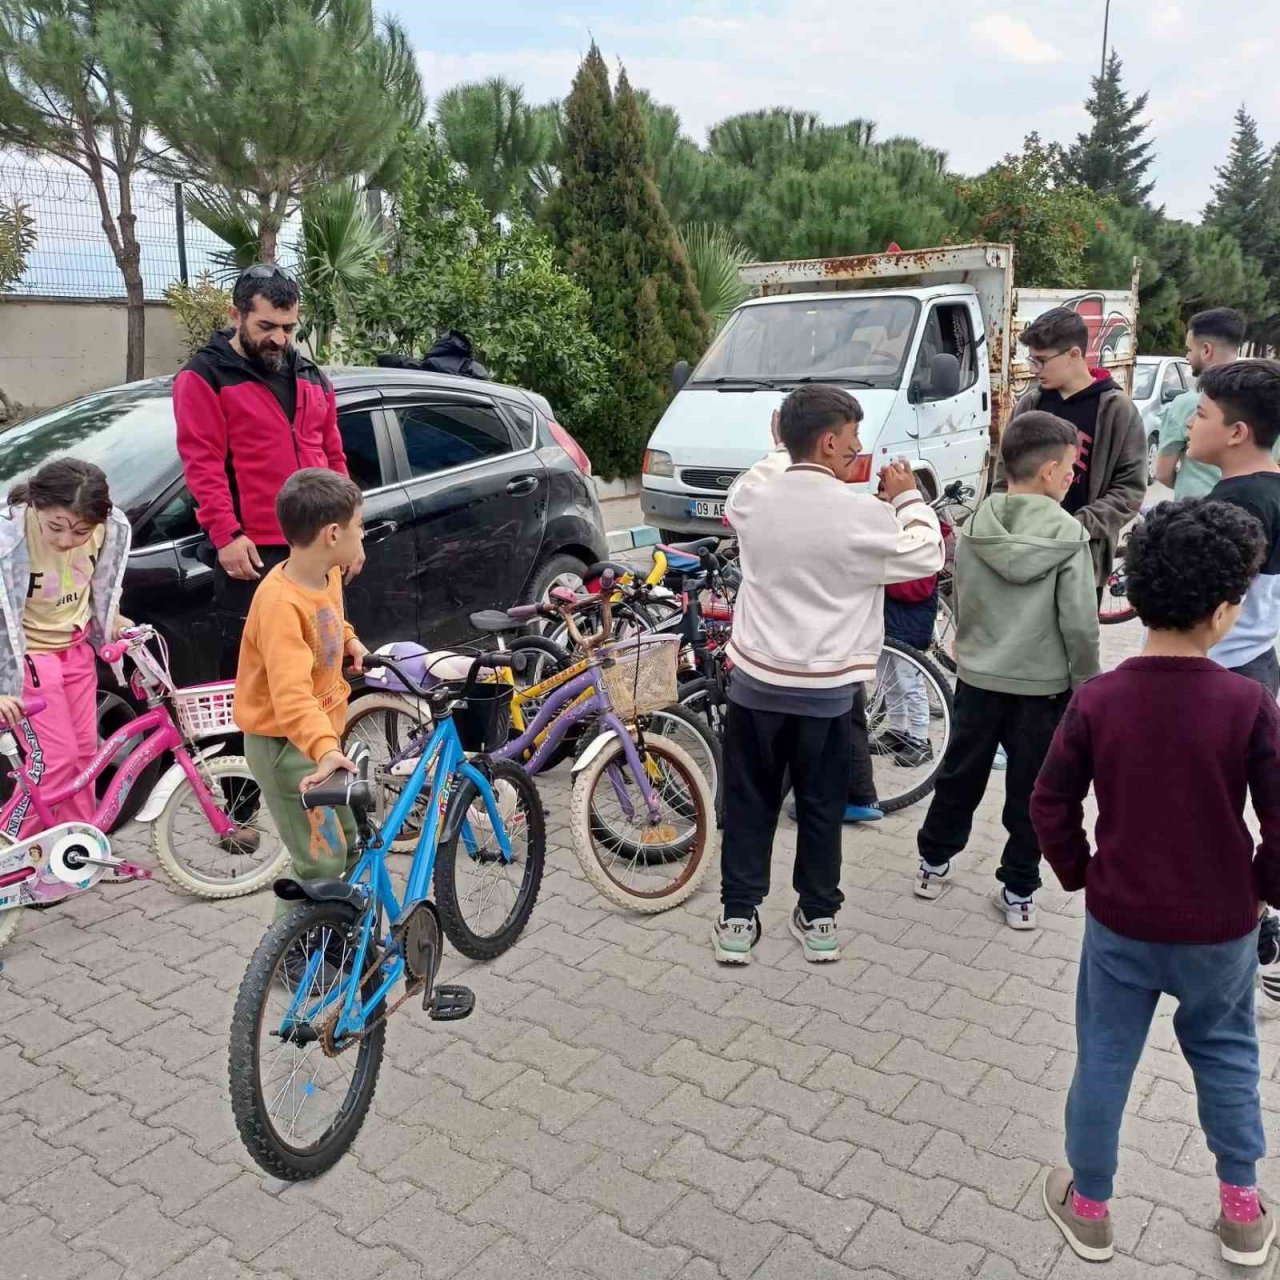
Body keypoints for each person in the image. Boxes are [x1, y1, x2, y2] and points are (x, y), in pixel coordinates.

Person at [1031, 498, 1280, 1269]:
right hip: (1222, 927)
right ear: (1221, 611)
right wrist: (1262, 889)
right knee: (1229, 1053)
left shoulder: (1099, 699)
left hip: (1121, 922)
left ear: (1133, 597)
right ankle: (1242, 1211)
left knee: (1104, 1055)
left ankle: (1092, 1205)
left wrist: (1080, 873)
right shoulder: (1249, 704)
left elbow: (1049, 801)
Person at [713, 385, 943, 965]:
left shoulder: (753, 501)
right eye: (853, 439)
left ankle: (738, 918)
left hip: (756, 686)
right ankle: (818, 918)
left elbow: (747, 486)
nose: (858, 451)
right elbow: (927, 553)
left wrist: (778, 447)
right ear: (831, 440)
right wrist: (909, 496)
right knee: (820, 806)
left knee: (749, 804)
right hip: (828, 695)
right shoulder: (861, 514)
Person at [914, 412, 1100, 929]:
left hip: (976, 677)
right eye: (1069, 467)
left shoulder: (975, 525)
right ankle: (1019, 890)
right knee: (1034, 789)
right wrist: (1086, 682)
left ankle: (932, 862)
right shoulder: (1069, 535)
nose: (1072, 477)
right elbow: (1080, 624)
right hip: (1044, 688)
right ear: (1046, 471)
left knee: (960, 774)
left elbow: (963, 599)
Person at [175, 264, 356, 679]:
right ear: (235, 315)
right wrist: (226, 535)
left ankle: (318, 741)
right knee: (257, 671)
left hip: (319, 545)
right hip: (255, 553)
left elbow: (334, 456)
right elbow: (201, 464)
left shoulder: (312, 375)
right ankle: (253, 745)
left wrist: (349, 531)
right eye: (267, 325)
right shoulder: (204, 376)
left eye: (289, 328)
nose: (279, 338)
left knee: (323, 661)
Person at [234, 470, 369, 908]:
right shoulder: (279, 604)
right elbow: (291, 697)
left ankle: (333, 936)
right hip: (286, 749)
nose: (362, 534)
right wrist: (326, 750)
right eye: (359, 526)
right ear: (333, 533)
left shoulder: (325, 575)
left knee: (347, 843)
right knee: (319, 861)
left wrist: (348, 639)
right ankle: (289, 957)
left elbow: (328, 620)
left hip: (317, 743)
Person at [0, 459, 132, 835]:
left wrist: (116, 622)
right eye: (55, 527)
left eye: (80, 531)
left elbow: (103, 586)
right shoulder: (7, 537)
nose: (65, 541)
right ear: (35, 506)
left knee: (86, 758)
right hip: (28, 658)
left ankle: (77, 855)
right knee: (55, 760)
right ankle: (11, 850)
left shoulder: (112, 529)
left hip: (76, 650)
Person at [1006, 307, 1146, 591]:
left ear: (1074, 355)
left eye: (1042, 361)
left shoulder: (1117, 410)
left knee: (1076, 633)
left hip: (1082, 556)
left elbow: (1130, 490)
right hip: (1025, 550)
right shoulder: (1030, 404)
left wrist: (1076, 526)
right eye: (1032, 360)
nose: (1034, 370)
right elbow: (1004, 474)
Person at [1183, 359, 1280, 695]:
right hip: (1260, 657)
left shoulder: (1237, 504)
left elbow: (1203, 599)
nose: (1189, 423)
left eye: (1201, 414)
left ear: (1237, 432)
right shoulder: (1269, 490)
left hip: (1222, 667)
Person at [1156, 307, 1248, 497]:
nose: (1187, 356)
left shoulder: (1186, 403)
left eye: (1189, 349)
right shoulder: (1265, 400)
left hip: (1196, 516)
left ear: (1206, 350)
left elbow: (1163, 473)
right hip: (1252, 513)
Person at [873, 564, 940, 767]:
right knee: (888, 680)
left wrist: (883, 576)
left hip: (909, 622)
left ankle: (920, 739)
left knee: (910, 683)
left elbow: (918, 588)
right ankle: (897, 729)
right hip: (886, 620)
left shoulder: (923, 539)